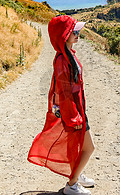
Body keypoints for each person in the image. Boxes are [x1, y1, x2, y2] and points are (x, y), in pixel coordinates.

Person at [28, 15, 95, 195]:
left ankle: (77, 174)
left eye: (77, 30)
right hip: (73, 111)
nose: (78, 34)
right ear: (63, 36)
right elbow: (64, 92)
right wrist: (74, 116)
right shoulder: (62, 60)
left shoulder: (68, 55)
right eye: (74, 31)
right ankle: (71, 185)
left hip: (78, 107)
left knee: (77, 146)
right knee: (89, 148)